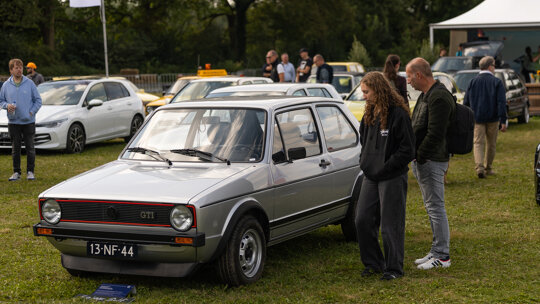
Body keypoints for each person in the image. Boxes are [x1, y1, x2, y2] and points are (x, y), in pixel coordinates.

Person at [355, 72, 415, 281]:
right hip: (371, 176)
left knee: (390, 225)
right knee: (362, 220)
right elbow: (364, 141)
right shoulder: (369, 113)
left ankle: (393, 268)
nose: (364, 96)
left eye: (366, 91)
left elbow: (407, 150)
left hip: (392, 176)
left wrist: (386, 167)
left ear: (378, 89)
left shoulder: (398, 114)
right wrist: (366, 162)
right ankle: (373, 263)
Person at [406, 57, 455, 270]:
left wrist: (420, 155)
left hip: (432, 160)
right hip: (425, 159)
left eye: (409, 76)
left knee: (436, 207)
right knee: (431, 206)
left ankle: (442, 256)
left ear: (418, 75)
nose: (408, 81)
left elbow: (436, 132)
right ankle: (436, 250)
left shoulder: (439, 97)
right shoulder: (428, 95)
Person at [463, 56, 507, 178]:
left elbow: (466, 102)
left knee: (478, 143)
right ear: (489, 66)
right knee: (491, 144)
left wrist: (466, 118)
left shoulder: (473, 81)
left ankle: (479, 167)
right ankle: (488, 167)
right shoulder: (496, 82)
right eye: (494, 65)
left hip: (476, 117)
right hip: (493, 118)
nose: (495, 68)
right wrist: (503, 120)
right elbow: (501, 102)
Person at [0, 59, 42, 181]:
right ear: (11, 70)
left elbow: (38, 100)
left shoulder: (29, 83)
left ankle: (30, 172)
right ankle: (16, 173)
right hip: (13, 122)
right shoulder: (6, 85)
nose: (19, 70)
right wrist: (7, 106)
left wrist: (32, 111)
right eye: (16, 68)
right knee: (15, 149)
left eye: (21, 67)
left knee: (30, 148)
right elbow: (1, 101)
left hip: (28, 121)